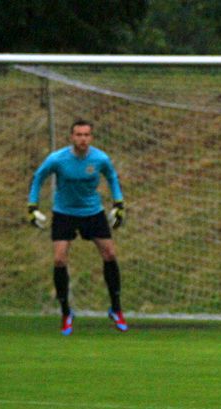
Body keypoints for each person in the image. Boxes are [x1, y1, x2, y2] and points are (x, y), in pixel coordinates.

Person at [27, 119, 128, 335]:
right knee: (59, 258)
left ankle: (116, 308)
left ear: (91, 137)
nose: (82, 138)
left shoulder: (99, 158)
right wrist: (32, 205)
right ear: (71, 137)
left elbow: (111, 176)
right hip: (64, 213)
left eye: (86, 135)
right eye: (78, 134)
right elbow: (38, 177)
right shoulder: (57, 159)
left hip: (93, 212)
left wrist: (118, 203)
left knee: (110, 253)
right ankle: (66, 313)